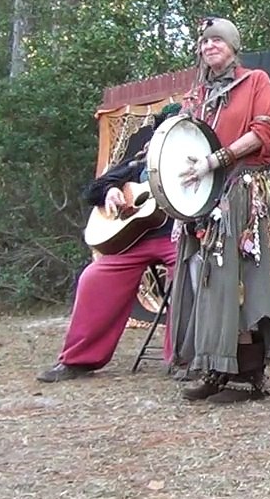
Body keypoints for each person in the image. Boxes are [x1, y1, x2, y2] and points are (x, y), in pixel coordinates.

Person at [167, 17, 270, 404]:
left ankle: (250, 373)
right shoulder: (196, 96)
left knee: (245, 281)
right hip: (204, 199)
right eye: (204, 41)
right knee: (204, 280)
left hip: (243, 190)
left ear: (232, 46)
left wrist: (215, 160)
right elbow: (181, 141)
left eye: (217, 40)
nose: (209, 46)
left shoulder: (256, 81)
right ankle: (214, 366)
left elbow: (262, 134)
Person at [37, 103, 184, 383]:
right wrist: (111, 191)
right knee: (94, 277)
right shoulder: (140, 162)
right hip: (136, 240)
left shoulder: (194, 159)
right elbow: (94, 189)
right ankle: (78, 360)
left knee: (190, 271)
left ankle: (181, 358)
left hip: (178, 239)